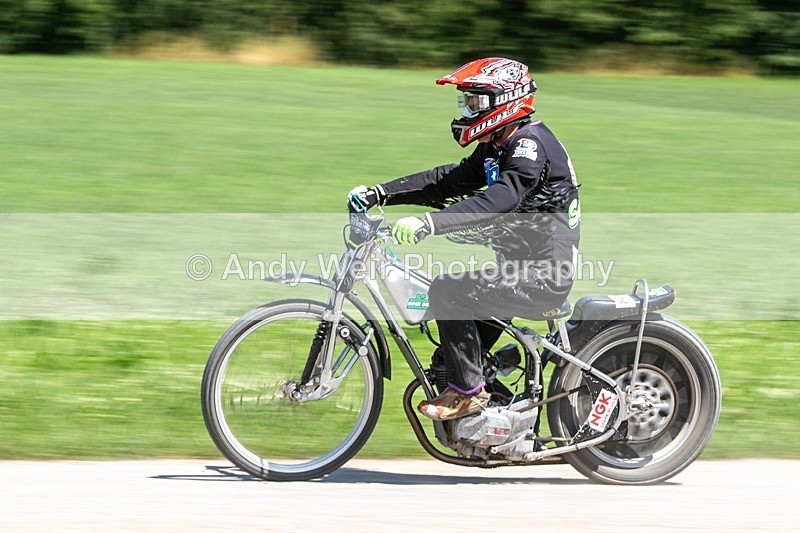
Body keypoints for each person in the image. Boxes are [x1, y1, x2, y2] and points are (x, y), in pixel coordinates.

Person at [348, 57, 581, 421]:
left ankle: (468, 397)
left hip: (543, 276)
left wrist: (431, 223)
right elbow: (448, 180)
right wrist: (380, 193)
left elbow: (500, 199)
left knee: (447, 291)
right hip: (515, 272)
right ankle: (502, 421)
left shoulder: (530, 147)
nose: (468, 108)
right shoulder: (499, 145)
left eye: (475, 101)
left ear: (506, 99)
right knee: (446, 361)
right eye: (467, 101)